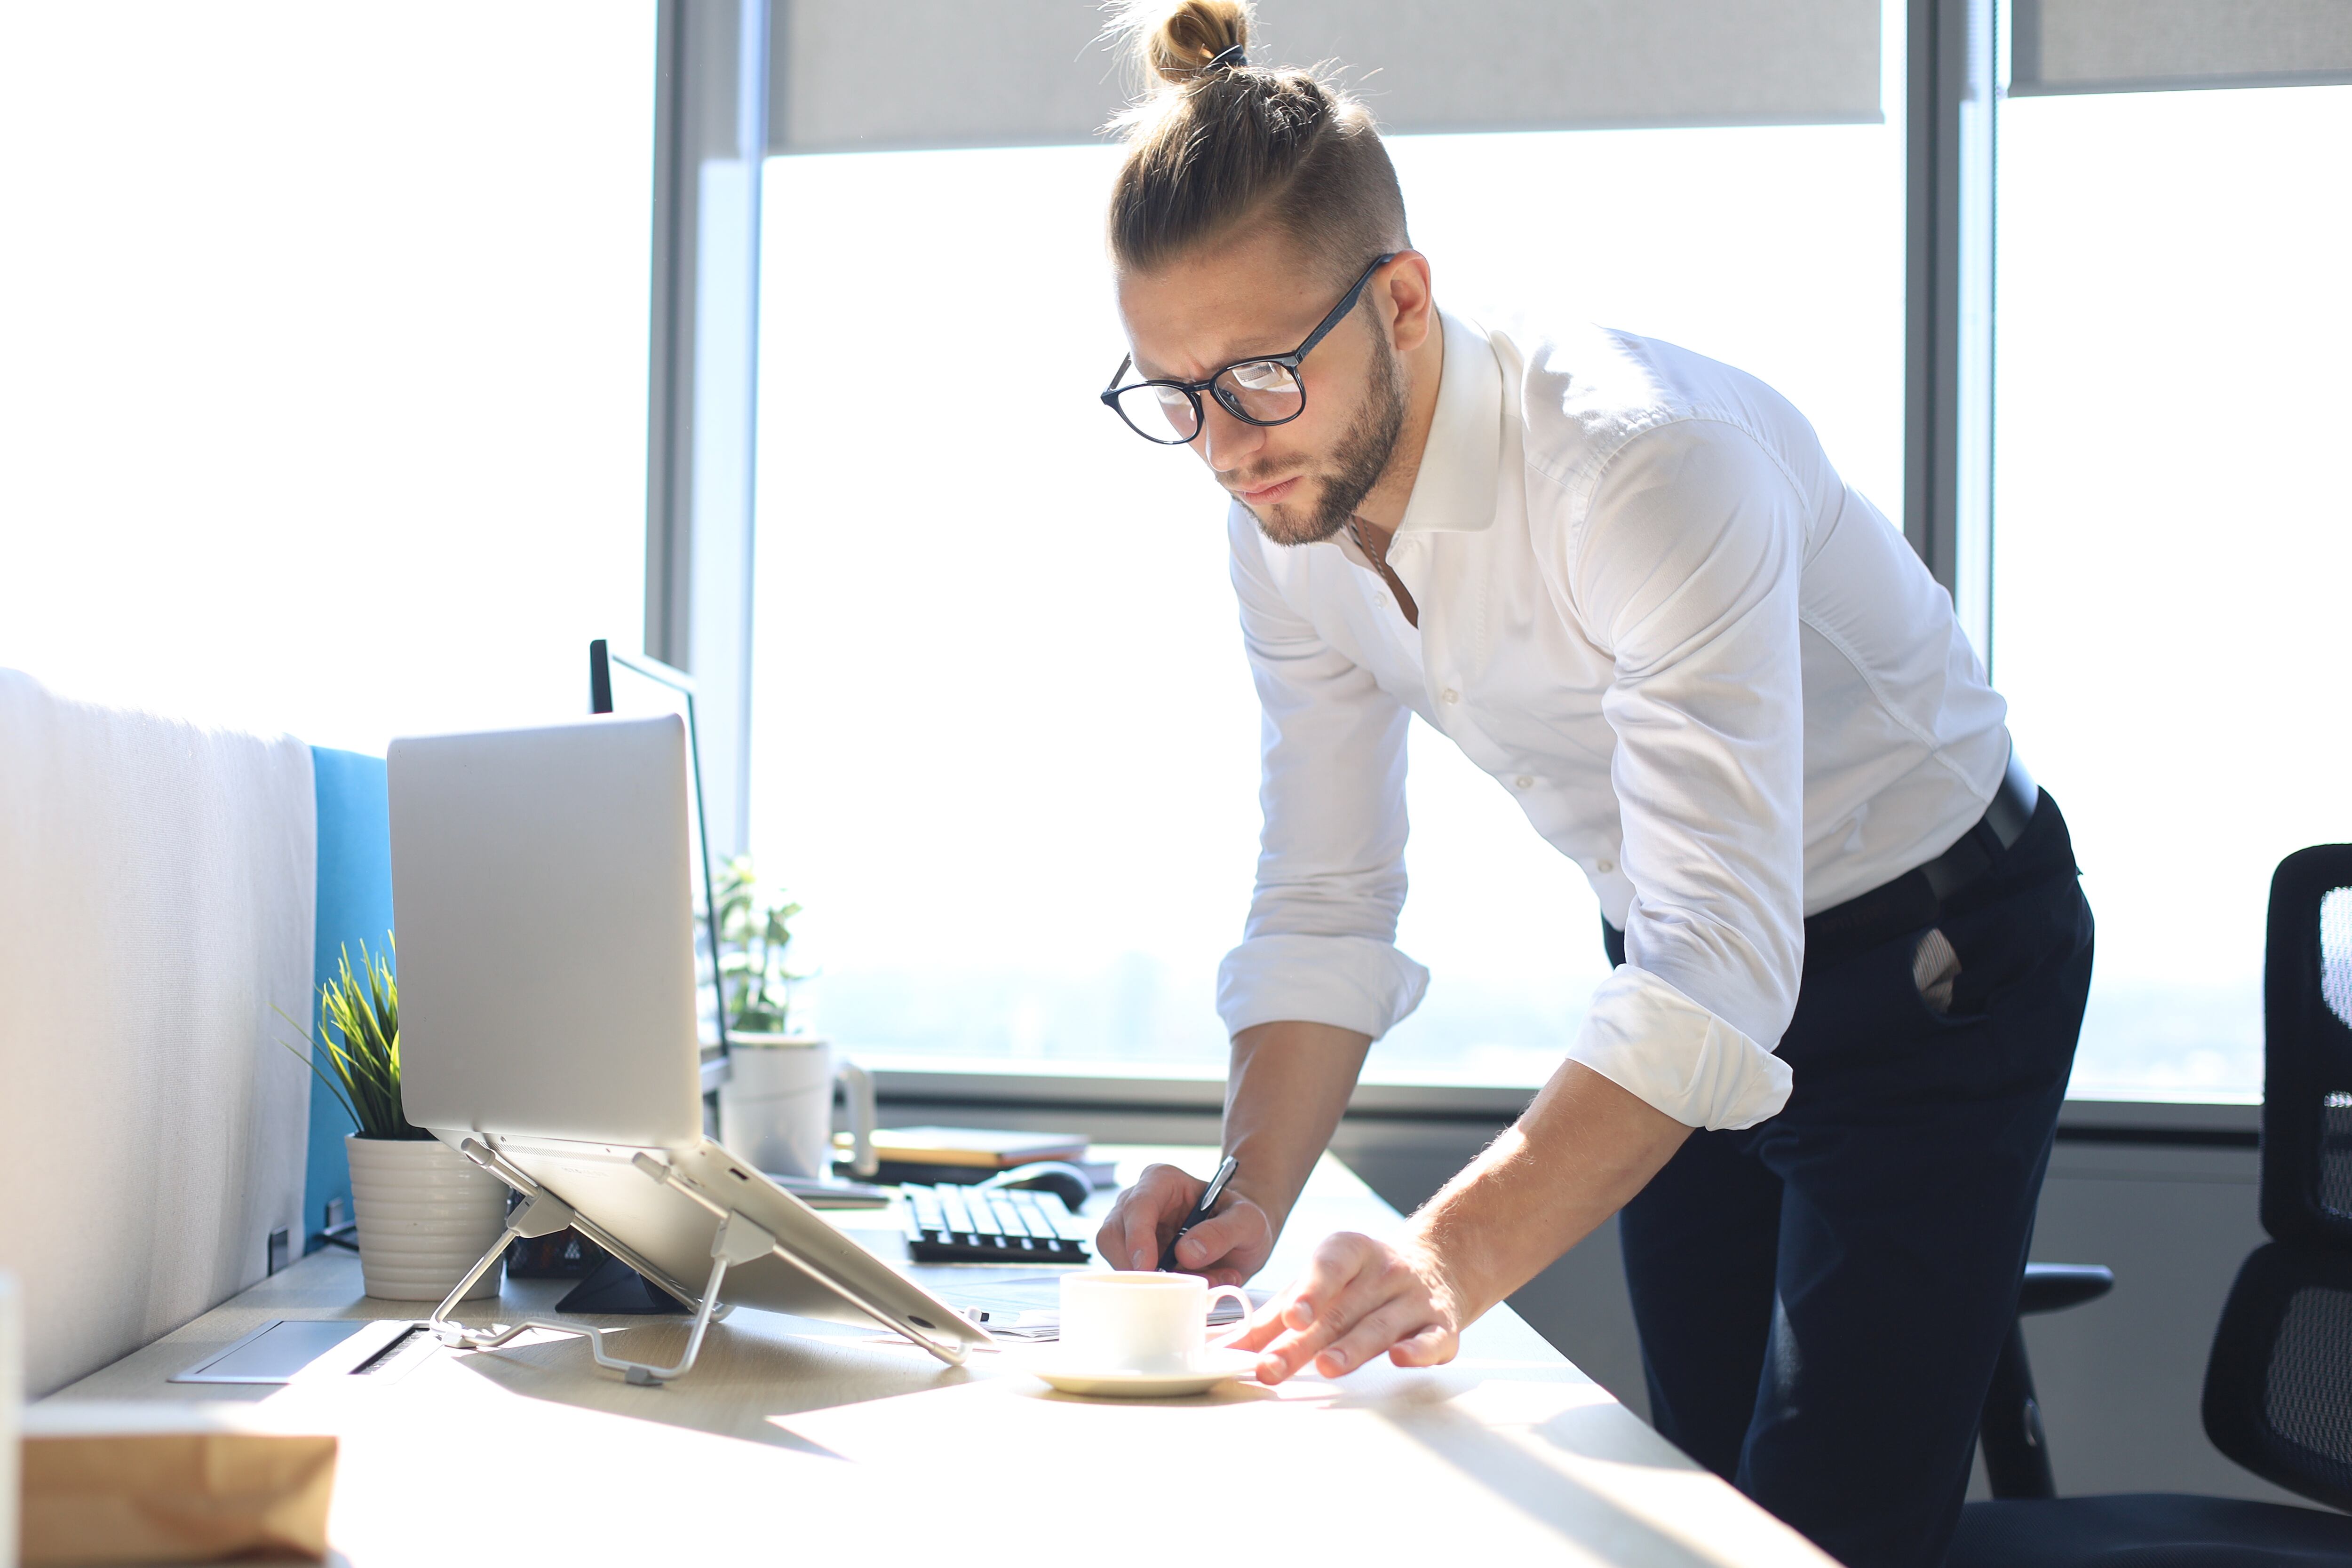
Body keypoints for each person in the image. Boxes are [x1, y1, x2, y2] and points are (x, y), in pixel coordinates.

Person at [1088, 3, 2095, 1565]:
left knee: (1822, 1521)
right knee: (1683, 1491)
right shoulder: (1284, 526)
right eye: (1174, 392)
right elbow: (1327, 898)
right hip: (1678, 965)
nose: (1223, 445)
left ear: (1403, 301)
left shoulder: (1640, 464)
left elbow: (1723, 963)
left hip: (1937, 955)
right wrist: (1241, 1208)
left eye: (1263, 375)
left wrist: (1441, 1259)